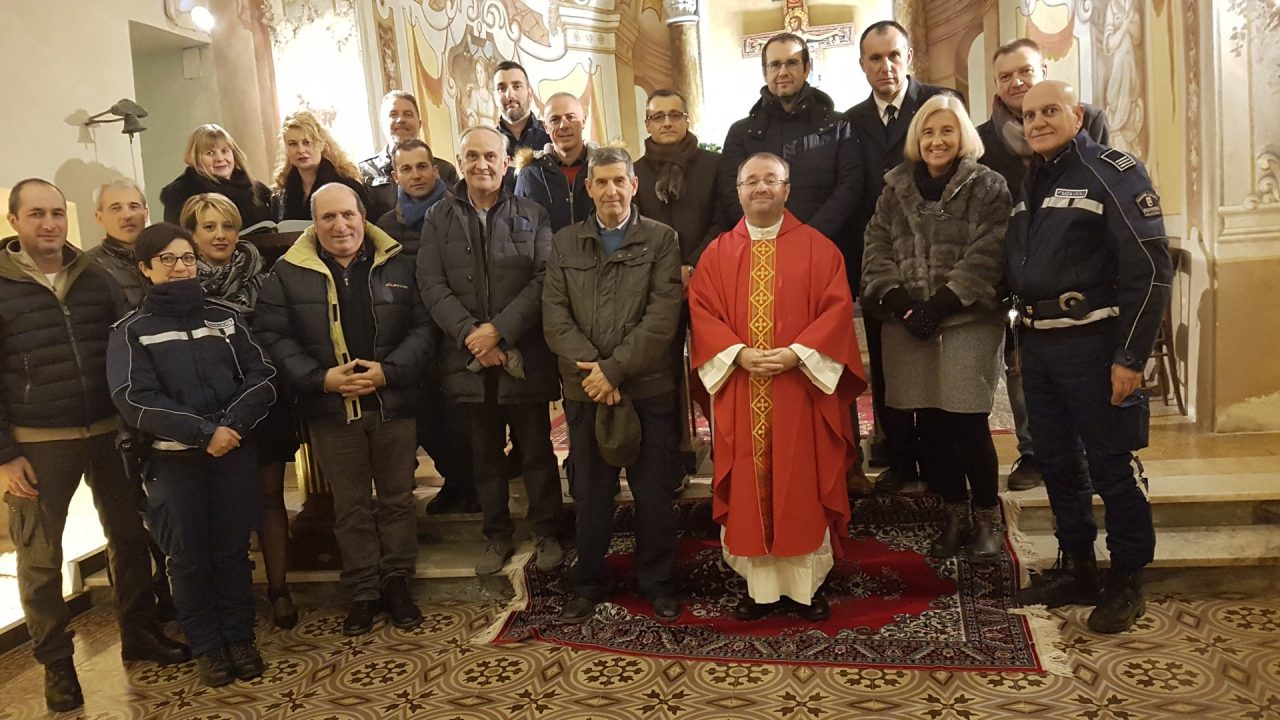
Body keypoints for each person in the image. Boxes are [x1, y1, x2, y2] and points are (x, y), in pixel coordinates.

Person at [1, 179, 189, 713]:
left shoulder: (94, 277)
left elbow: (124, 347)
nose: (49, 224)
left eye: (57, 213)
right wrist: (4, 454)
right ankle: (57, 665)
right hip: (37, 444)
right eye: (36, 214)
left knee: (130, 539)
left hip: (108, 432)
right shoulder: (2, 284)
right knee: (40, 558)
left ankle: (140, 633)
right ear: (15, 221)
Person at [1008, 81, 1172, 634]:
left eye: (1050, 111)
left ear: (1076, 115)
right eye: (1029, 115)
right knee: (1056, 462)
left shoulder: (1112, 171)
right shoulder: (1030, 180)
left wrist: (1131, 356)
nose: (1037, 122)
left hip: (1097, 347)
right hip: (1042, 348)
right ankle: (1077, 566)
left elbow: (1149, 270)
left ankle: (1126, 579)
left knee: (1112, 467)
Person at [690, 153, 865, 622]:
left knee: (802, 483)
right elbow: (702, 314)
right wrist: (738, 354)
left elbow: (835, 314)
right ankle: (759, 589)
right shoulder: (716, 254)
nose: (761, 188)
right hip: (742, 389)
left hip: (800, 391)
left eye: (772, 179)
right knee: (749, 486)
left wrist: (796, 355)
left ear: (788, 189)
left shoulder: (819, 249)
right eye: (751, 181)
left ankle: (807, 589)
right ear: (739, 192)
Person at [254, 183, 435, 635]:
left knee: (396, 500)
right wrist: (321, 379)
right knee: (350, 507)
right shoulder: (287, 274)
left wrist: (389, 372)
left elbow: (425, 326)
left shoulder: (397, 263)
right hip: (332, 410)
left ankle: (397, 582)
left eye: (348, 215)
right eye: (329, 217)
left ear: (363, 216)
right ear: (314, 225)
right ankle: (363, 591)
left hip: (391, 402)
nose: (341, 225)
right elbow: (273, 335)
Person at [108, 223, 276, 687]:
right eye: (167, 259)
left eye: (186, 258)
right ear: (145, 268)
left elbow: (260, 376)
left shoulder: (226, 317)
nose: (180, 267)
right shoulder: (131, 331)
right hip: (172, 462)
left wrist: (230, 429)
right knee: (186, 557)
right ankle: (207, 645)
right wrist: (203, 433)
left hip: (231, 453)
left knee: (230, 550)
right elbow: (133, 398)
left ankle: (240, 638)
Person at [860, 95, 1011, 561]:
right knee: (928, 424)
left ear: (962, 134)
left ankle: (987, 516)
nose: (936, 140)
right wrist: (905, 305)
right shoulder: (895, 188)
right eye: (927, 132)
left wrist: (941, 304)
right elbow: (876, 247)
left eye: (946, 130)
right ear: (916, 139)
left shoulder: (988, 186)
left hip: (966, 319)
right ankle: (953, 515)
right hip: (907, 324)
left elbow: (990, 252)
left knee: (966, 420)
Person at [543, 146, 684, 624]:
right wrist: (595, 373)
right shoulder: (564, 243)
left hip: (646, 388)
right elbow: (555, 317)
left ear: (633, 185)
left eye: (618, 181)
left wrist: (615, 370)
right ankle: (589, 583)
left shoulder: (662, 239)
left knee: (653, 494)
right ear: (588, 189)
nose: (610, 191)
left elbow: (663, 317)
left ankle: (658, 583)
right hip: (586, 392)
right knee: (591, 494)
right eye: (600, 183)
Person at [418, 127, 563, 575]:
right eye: (473, 156)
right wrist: (472, 336)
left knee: (537, 452)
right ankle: (495, 534)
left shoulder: (533, 213)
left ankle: (547, 531)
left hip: (523, 353)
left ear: (506, 163)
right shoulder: (437, 217)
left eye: (491, 157)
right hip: (468, 358)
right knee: (484, 457)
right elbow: (431, 282)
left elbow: (543, 278)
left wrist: (498, 331)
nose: (482, 164)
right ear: (460, 162)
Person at [976, 37, 1112, 492]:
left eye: (1025, 71)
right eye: (1005, 76)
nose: (1016, 82)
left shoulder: (1087, 119)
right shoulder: (983, 138)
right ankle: (1035, 452)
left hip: (1077, 271)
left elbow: (1103, 187)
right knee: (1021, 366)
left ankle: (1092, 453)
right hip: (1016, 268)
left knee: (1083, 373)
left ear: (1043, 69)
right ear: (995, 84)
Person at [179, 193, 301, 629]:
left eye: (227, 226)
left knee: (270, 497)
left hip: (263, 399)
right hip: (210, 409)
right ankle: (233, 598)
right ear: (191, 235)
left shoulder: (264, 275)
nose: (220, 235)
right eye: (208, 227)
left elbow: (277, 333)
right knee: (224, 505)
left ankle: (280, 590)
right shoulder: (181, 288)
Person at [845, 20, 953, 493]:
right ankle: (901, 458)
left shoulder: (940, 103)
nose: (885, 66)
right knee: (888, 366)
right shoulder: (849, 121)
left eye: (893, 55)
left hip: (938, 262)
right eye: (875, 58)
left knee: (936, 365)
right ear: (863, 65)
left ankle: (939, 461)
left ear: (909, 57)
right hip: (881, 263)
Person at [376, 138, 478, 515]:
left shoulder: (459, 210)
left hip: (454, 323)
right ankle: (455, 481)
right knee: (428, 415)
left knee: (462, 415)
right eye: (406, 169)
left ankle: (477, 485)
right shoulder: (385, 226)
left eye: (422, 167)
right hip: (412, 330)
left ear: (436, 170)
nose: (416, 175)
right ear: (395, 176)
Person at [635, 88, 730, 481]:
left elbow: (725, 218)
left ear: (688, 119)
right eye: (659, 117)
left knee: (718, 366)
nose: (668, 122)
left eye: (675, 115)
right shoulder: (635, 172)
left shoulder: (715, 165)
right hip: (657, 287)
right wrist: (669, 269)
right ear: (648, 124)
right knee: (663, 373)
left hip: (710, 281)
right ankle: (674, 455)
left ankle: (728, 446)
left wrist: (694, 262)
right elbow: (635, 227)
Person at [718, 33, 862, 255]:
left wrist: (808, 236)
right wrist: (763, 234)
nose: (783, 72)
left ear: (806, 68)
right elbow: (731, 190)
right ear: (765, 72)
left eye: (792, 63)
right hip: (760, 250)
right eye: (775, 65)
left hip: (826, 248)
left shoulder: (839, 126)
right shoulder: (741, 132)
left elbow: (849, 187)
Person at [359, 90, 461, 220]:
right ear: (382, 123)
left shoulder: (445, 169)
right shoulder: (364, 172)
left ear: (419, 124)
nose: (401, 120)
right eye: (393, 114)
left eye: (408, 114)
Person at [160, 124, 272, 228]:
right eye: (210, 153)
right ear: (195, 158)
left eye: (225, 151)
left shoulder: (257, 189)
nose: (220, 158)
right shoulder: (181, 194)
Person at [514, 92, 593, 232]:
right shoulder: (530, 175)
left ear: (584, 121)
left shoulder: (604, 168)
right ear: (545, 127)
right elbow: (519, 231)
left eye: (570, 117)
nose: (563, 125)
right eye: (555, 119)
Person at [271, 110, 371, 222]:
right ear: (286, 149)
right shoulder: (280, 194)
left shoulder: (348, 187)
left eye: (307, 142)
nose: (301, 150)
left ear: (322, 144)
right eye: (293, 144)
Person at [87, 178, 149, 307]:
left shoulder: (165, 257)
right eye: (116, 208)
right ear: (99, 217)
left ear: (146, 213)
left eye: (134, 206)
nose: (127, 215)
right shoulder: (88, 266)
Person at [494, 61, 550, 157]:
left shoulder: (550, 136)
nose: (509, 95)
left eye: (516, 87)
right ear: (494, 97)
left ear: (530, 94)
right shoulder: (489, 143)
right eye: (501, 88)